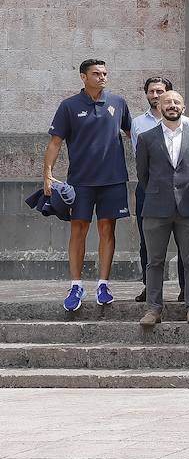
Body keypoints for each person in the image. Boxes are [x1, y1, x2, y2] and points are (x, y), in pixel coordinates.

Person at [47, 59, 132, 313]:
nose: (102, 77)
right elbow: (55, 143)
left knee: (107, 230)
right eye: (96, 74)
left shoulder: (118, 103)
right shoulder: (69, 106)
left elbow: (135, 134)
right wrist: (47, 176)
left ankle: (103, 284)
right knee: (78, 231)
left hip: (113, 180)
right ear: (84, 77)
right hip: (80, 182)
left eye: (105, 73)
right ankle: (76, 285)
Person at [134, 90, 189, 327]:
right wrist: (160, 192)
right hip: (156, 207)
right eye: (167, 102)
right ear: (159, 106)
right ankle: (153, 309)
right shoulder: (146, 138)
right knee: (154, 261)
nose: (172, 105)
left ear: (184, 107)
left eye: (176, 102)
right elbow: (142, 174)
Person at [131, 76, 180, 303]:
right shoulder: (138, 123)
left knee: (184, 242)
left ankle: (186, 289)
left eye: (160, 91)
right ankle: (148, 288)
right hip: (149, 188)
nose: (155, 95)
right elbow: (139, 161)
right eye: (151, 91)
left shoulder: (186, 122)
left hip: (179, 189)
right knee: (146, 241)